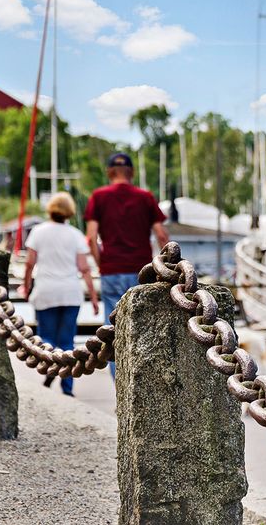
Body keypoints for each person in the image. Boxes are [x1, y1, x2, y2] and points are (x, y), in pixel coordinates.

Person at [84, 153, 168, 375]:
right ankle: (144, 381)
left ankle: (119, 387)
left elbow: (91, 238)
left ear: (110, 172)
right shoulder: (145, 197)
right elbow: (161, 235)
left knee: (114, 333)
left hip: (111, 270)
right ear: (131, 172)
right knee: (144, 328)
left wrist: (103, 263)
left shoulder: (99, 197)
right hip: (141, 273)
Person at [21, 192, 99, 396]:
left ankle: (49, 372)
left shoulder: (38, 232)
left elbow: (30, 264)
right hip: (70, 293)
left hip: (46, 291)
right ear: (70, 212)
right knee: (67, 341)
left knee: (46, 337)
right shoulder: (75, 234)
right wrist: (92, 296)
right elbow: (84, 268)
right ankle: (68, 388)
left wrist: (26, 286)